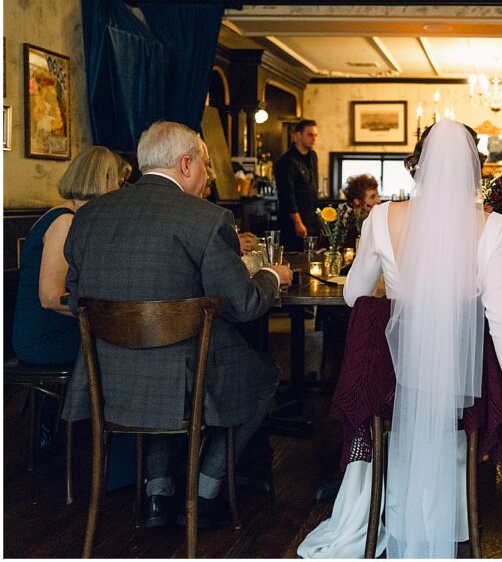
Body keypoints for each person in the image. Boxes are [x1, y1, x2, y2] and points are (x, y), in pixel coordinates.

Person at [300, 120, 502, 559]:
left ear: (421, 163)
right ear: (474, 169)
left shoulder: (381, 217)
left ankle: (388, 513)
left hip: (392, 382)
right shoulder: (495, 228)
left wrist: (394, 301)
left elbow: (355, 295)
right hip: (460, 385)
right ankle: (448, 521)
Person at [62, 121, 293, 529]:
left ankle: (157, 493)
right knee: (264, 375)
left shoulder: (89, 215)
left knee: (157, 375)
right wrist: (273, 276)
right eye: (205, 165)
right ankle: (205, 489)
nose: (209, 175)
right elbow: (244, 304)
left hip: (108, 376)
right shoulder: (204, 219)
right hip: (185, 370)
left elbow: (78, 297)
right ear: (185, 164)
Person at [13, 146, 129, 366]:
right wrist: (104, 313)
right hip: (44, 338)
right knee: (123, 343)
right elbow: (50, 298)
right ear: (102, 181)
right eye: (119, 182)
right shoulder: (64, 222)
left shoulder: (76, 218)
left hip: (60, 329)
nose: (120, 190)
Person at [274, 119, 321, 251]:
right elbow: (286, 194)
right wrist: (298, 222)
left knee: (312, 256)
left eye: (315, 135)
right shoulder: (286, 161)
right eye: (310, 135)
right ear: (298, 135)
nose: (314, 139)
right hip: (293, 221)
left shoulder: (312, 156)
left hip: (311, 217)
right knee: (295, 256)